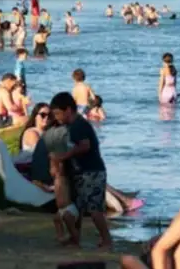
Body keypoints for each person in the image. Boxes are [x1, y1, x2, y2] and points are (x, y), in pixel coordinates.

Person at [49, 92, 112, 249]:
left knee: (94, 208)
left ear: (68, 110)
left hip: (91, 171)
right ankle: (75, 238)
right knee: (78, 208)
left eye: (58, 113)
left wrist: (63, 156)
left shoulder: (79, 125)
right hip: (80, 171)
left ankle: (106, 239)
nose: (56, 117)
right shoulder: (71, 126)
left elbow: (85, 146)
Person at [49, 155, 80, 245]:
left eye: (52, 167)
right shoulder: (56, 179)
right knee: (56, 219)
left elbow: (61, 166)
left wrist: (57, 159)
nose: (50, 170)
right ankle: (61, 237)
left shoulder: (62, 177)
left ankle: (75, 240)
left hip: (69, 208)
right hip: (61, 209)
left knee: (69, 223)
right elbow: (54, 188)